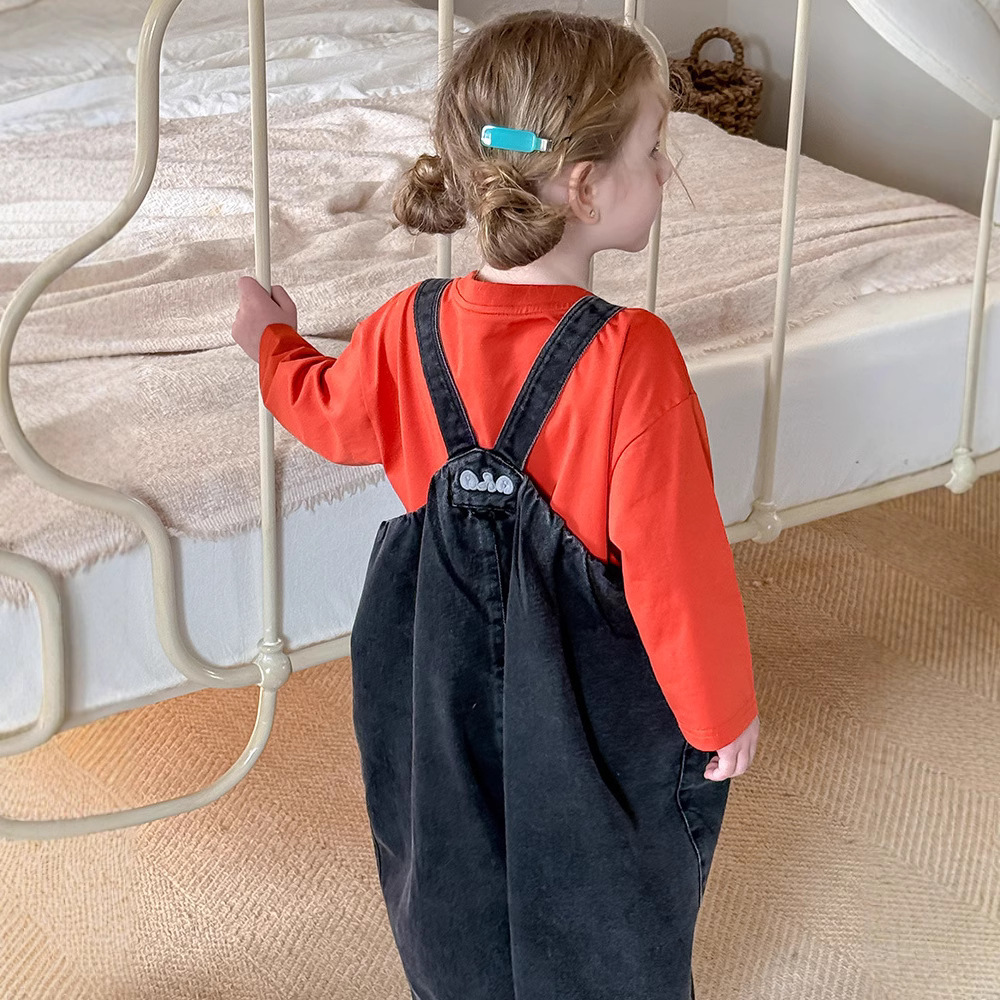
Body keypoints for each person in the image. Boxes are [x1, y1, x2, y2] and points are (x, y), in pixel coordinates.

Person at [231, 10, 759, 999]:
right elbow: (675, 567)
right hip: (586, 680)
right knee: (606, 859)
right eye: (655, 149)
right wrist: (718, 710)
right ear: (585, 187)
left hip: (431, 662)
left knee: (447, 841)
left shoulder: (403, 325)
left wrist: (273, 342)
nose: (665, 171)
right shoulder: (629, 356)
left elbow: (325, 412)